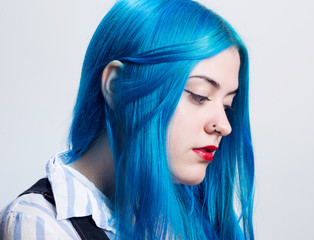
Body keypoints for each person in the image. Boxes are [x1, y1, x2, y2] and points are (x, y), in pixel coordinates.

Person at [0, 0, 255, 239]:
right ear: (117, 86)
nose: (224, 126)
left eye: (227, 105)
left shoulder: (192, 212)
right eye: (200, 96)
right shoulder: (40, 222)